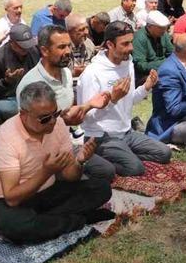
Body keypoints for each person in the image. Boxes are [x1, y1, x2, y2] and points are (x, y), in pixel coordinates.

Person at [0, 82, 114, 244]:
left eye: (55, 114)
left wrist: (80, 161)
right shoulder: (7, 137)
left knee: (102, 188)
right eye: (44, 118)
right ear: (24, 115)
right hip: (6, 201)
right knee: (17, 227)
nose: (52, 121)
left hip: (46, 191)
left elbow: (69, 177)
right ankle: (78, 220)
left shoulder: (58, 125)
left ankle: (46, 220)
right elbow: (11, 198)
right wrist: (47, 171)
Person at [14, 26, 114, 180]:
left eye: (69, 46)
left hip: (64, 144)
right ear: (45, 51)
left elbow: (66, 112)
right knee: (88, 184)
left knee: (106, 171)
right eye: (61, 47)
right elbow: (29, 129)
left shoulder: (66, 73)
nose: (68, 51)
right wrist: (67, 118)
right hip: (41, 153)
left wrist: (88, 106)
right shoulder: (31, 84)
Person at [76, 21, 172, 177]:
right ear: (110, 44)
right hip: (102, 137)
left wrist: (146, 87)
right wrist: (112, 100)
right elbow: (87, 118)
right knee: (135, 169)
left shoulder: (127, 64)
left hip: (126, 133)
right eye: (125, 44)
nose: (131, 48)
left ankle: (126, 154)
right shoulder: (92, 74)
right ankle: (98, 159)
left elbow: (129, 99)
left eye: (131, 42)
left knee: (164, 153)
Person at [0, 24, 40, 119]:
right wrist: (6, 82)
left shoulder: (33, 51)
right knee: (4, 108)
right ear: (12, 43)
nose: (26, 49)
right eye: (22, 46)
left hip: (30, 95)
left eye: (28, 45)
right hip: (8, 99)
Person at [132, 11, 174, 85]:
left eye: (165, 28)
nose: (164, 30)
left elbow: (172, 53)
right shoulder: (139, 38)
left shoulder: (164, 34)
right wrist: (165, 63)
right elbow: (141, 65)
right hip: (146, 75)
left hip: (165, 69)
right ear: (149, 26)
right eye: (160, 28)